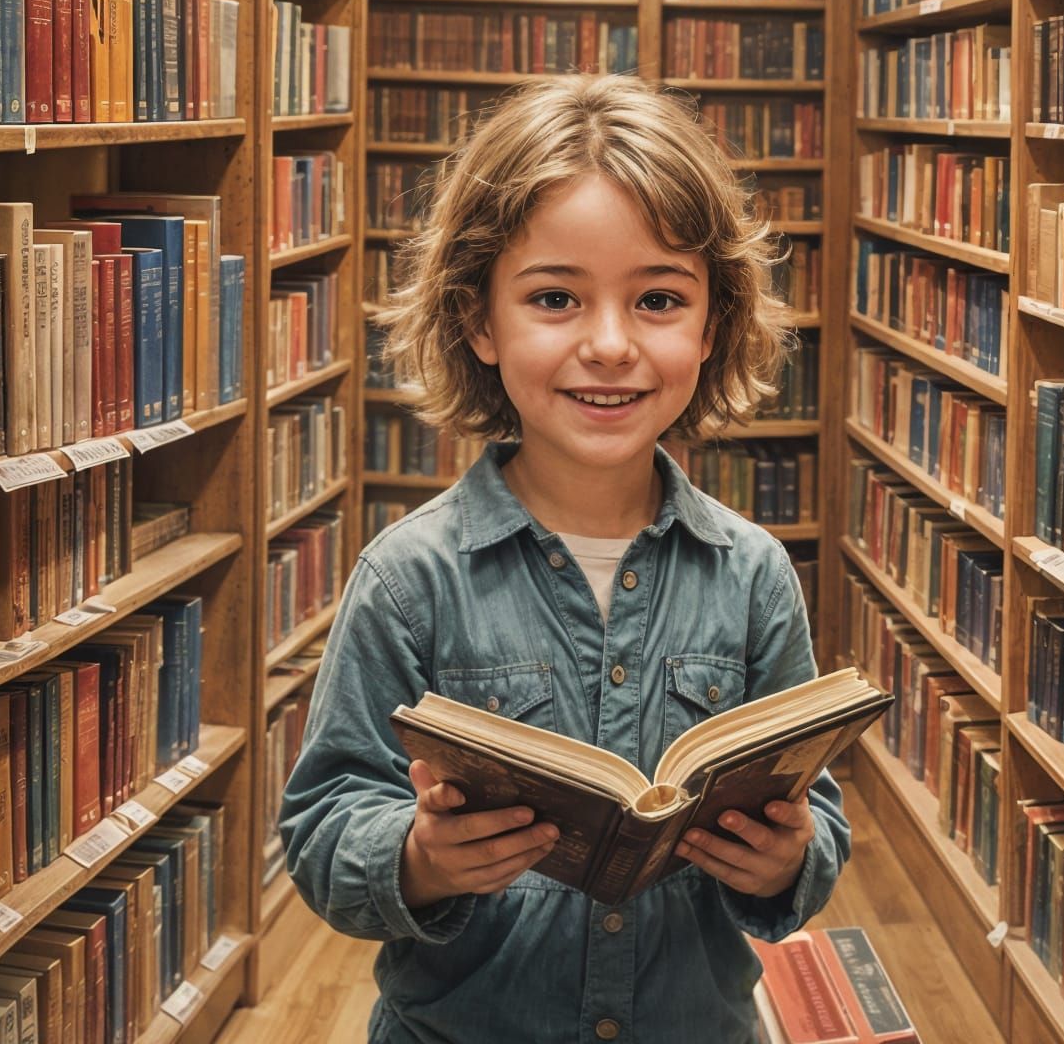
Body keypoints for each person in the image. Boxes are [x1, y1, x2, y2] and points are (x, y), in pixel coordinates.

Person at [280, 73, 850, 1043]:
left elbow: (816, 816)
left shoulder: (752, 572)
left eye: (659, 299)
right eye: (555, 297)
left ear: (711, 326)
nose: (611, 344)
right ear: (478, 320)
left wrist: (790, 861)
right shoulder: (408, 579)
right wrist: (418, 859)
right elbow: (326, 825)